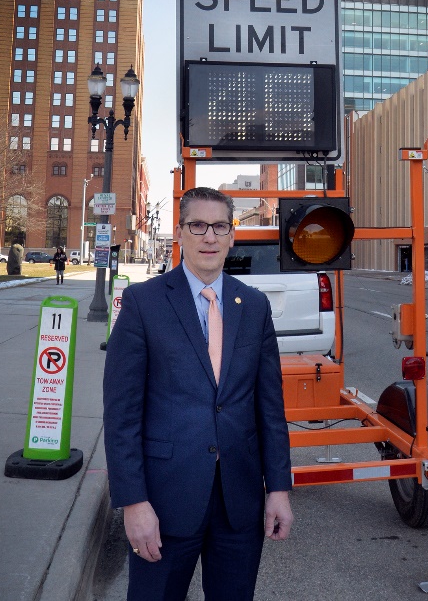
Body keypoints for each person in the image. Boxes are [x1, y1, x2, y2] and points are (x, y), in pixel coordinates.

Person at [103, 187, 293, 601]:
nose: (209, 236)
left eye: (220, 226)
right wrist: (133, 502)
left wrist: (278, 488)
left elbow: (270, 408)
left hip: (238, 504)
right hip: (165, 502)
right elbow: (121, 416)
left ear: (231, 235)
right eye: (198, 225)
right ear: (180, 233)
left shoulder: (255, 306)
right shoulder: (143, 303)